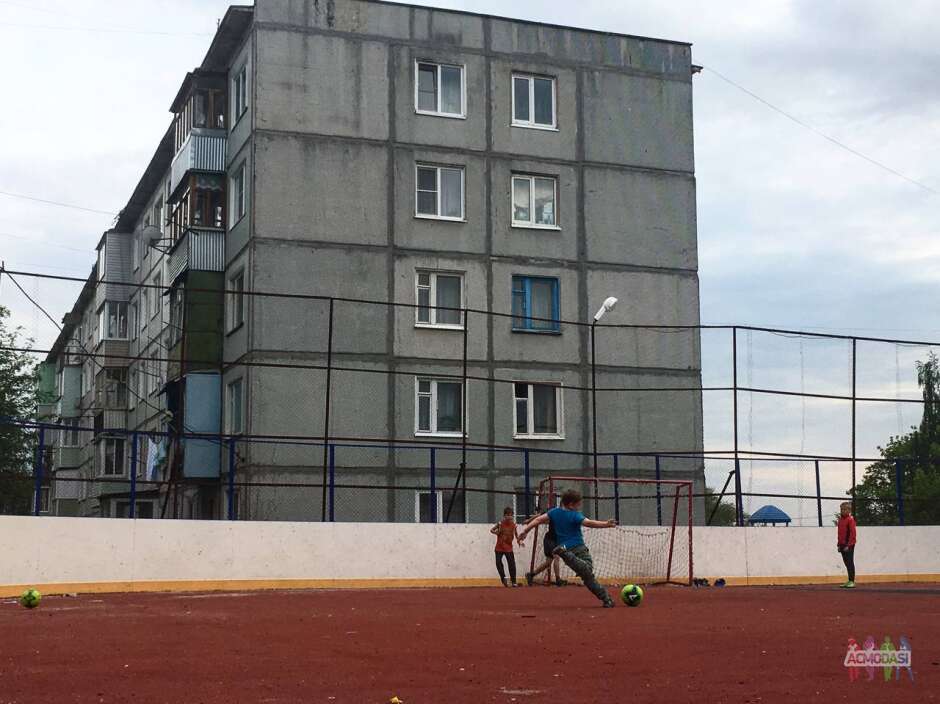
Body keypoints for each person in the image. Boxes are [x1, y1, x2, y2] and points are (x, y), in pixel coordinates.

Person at [519, 488, 617, 607]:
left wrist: (525, 531)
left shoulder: (554, 512)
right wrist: (606, 524)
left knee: (587, 577)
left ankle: (606, 599)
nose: (579, 507)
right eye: (578, 505)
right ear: (571, 505)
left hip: (564, 548)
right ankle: (606, 598)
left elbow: (538, 519)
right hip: (578, 547)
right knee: (588, 568)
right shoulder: (575, 515)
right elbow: (589, 523)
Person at [524, 521, 566, 587]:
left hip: (556, 541)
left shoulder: (567, 518)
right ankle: (558, 579)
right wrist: (530, 520)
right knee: (556, 557)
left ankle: (531, 575)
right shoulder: (555, 513)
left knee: (548, 562)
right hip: (549, 540)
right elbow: (540, 516)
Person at [491, 506, 523, 587]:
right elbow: (492, 530)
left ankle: (514, 581)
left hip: (508, 547)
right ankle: (503, 578)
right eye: (507, 515)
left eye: (511, 515)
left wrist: (519, 541)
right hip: (499, 547)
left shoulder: (513, 525)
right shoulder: (500, 523)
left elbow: (516, 535)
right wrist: (497, 533)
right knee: (498, 563)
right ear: (504, 516)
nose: (509, 517)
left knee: (512, 564)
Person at [837, 501, 857, 588]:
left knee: (850, 562)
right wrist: (838, 544)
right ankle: (849, 580)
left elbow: (853, 533)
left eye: (845, 509)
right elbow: (840, 533)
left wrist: (848, 545)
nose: (843, 511)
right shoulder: (840, 520)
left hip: (849, 545)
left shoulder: (850, 520)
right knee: (846, 563)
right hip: (842, 545)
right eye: (842, 509)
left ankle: (852, 581)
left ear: (849, 510)